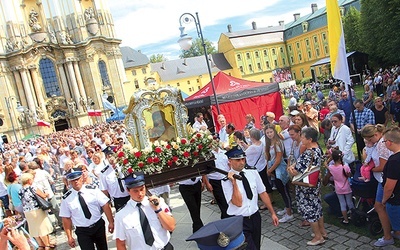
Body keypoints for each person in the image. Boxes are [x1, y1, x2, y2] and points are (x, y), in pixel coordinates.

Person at [222, 146, 279, 250]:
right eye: (238, 160)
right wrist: (234, 183)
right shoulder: (226, 181)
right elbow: (237, 202)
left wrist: (272, 213)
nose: (242, 162)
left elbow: (262, 192)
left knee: (256, 246)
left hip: (255, 217)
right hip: (238, 221)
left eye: (243, 159)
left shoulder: (252, 172)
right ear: (230, 161)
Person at [113, 172, 175, 250]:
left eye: (142, 189)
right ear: (128, 190)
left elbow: (171, 227)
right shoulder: (121, 215)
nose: (140, 193)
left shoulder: (158, 203)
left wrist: (158, 210)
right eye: (135, 191)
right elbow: (120, 243)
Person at [287, 127, 327, 246]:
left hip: (306, 186)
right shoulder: (317, 149)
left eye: (303, 137)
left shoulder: (308, 153)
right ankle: (322, 231)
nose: (301, 139)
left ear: (309, 139)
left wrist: (291, 168)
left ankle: (318, 237)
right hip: (315, 183)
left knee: (310, 210)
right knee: (317, 206)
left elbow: (297, 171)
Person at [59, 170, 114, 250]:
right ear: (70, 182)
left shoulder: (93, 190)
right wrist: (69, 236)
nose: (76, 182)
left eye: (77, 179)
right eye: (73, 180)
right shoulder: (66, 198)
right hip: (82, 230)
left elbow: (105, 205)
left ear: (82, 178)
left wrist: (111, 222)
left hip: (98, 225)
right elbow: (66, 218)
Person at [360, 124, 394, 247]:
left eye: (369, 140)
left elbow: (383, 166)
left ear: (375, 135)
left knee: (379, 206)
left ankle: (387, 236)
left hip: (384, 179)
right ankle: (393, 230)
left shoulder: (381, 144)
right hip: (382, 179)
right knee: (385, 206)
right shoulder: (377, 143)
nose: (369, 142)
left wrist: (369, 169)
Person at [264, 124, 292, 223]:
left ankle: (289, 213)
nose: (269, 134)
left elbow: (278, 159)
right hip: (273, 169)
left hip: (279, 169)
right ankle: (287, 207)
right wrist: (269, 169)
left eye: (271, 132)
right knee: (281, 190)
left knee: (284, 190)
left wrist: (270, 170)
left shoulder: (277, 143)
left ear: (274, 132)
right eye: (267, 133)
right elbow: (269, 158)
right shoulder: (269, 144)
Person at [18, 172, 54, 249]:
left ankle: (41, 245)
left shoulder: (20, 190)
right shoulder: (33, 188)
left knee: (34, 228)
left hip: (27, 212)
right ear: (28, 180)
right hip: (36, 210)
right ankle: (47, 244)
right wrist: (46, 194)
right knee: (42, 227)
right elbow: (43, 195)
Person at [326, 149, 354, 224]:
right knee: (349, 202)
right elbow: (350, 174)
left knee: (342, 204)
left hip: (338, 188)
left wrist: (329, 159)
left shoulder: (331, 168)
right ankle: (353, 216)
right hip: (347, 187)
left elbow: (325, 164)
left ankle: (346, 220)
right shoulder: (345, 167)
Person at [381, 127, 400, 241]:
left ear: (389, 142)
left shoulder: (394, 160)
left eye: (384, 141)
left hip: (396, 200)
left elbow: (389, 186)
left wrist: (384, 199)